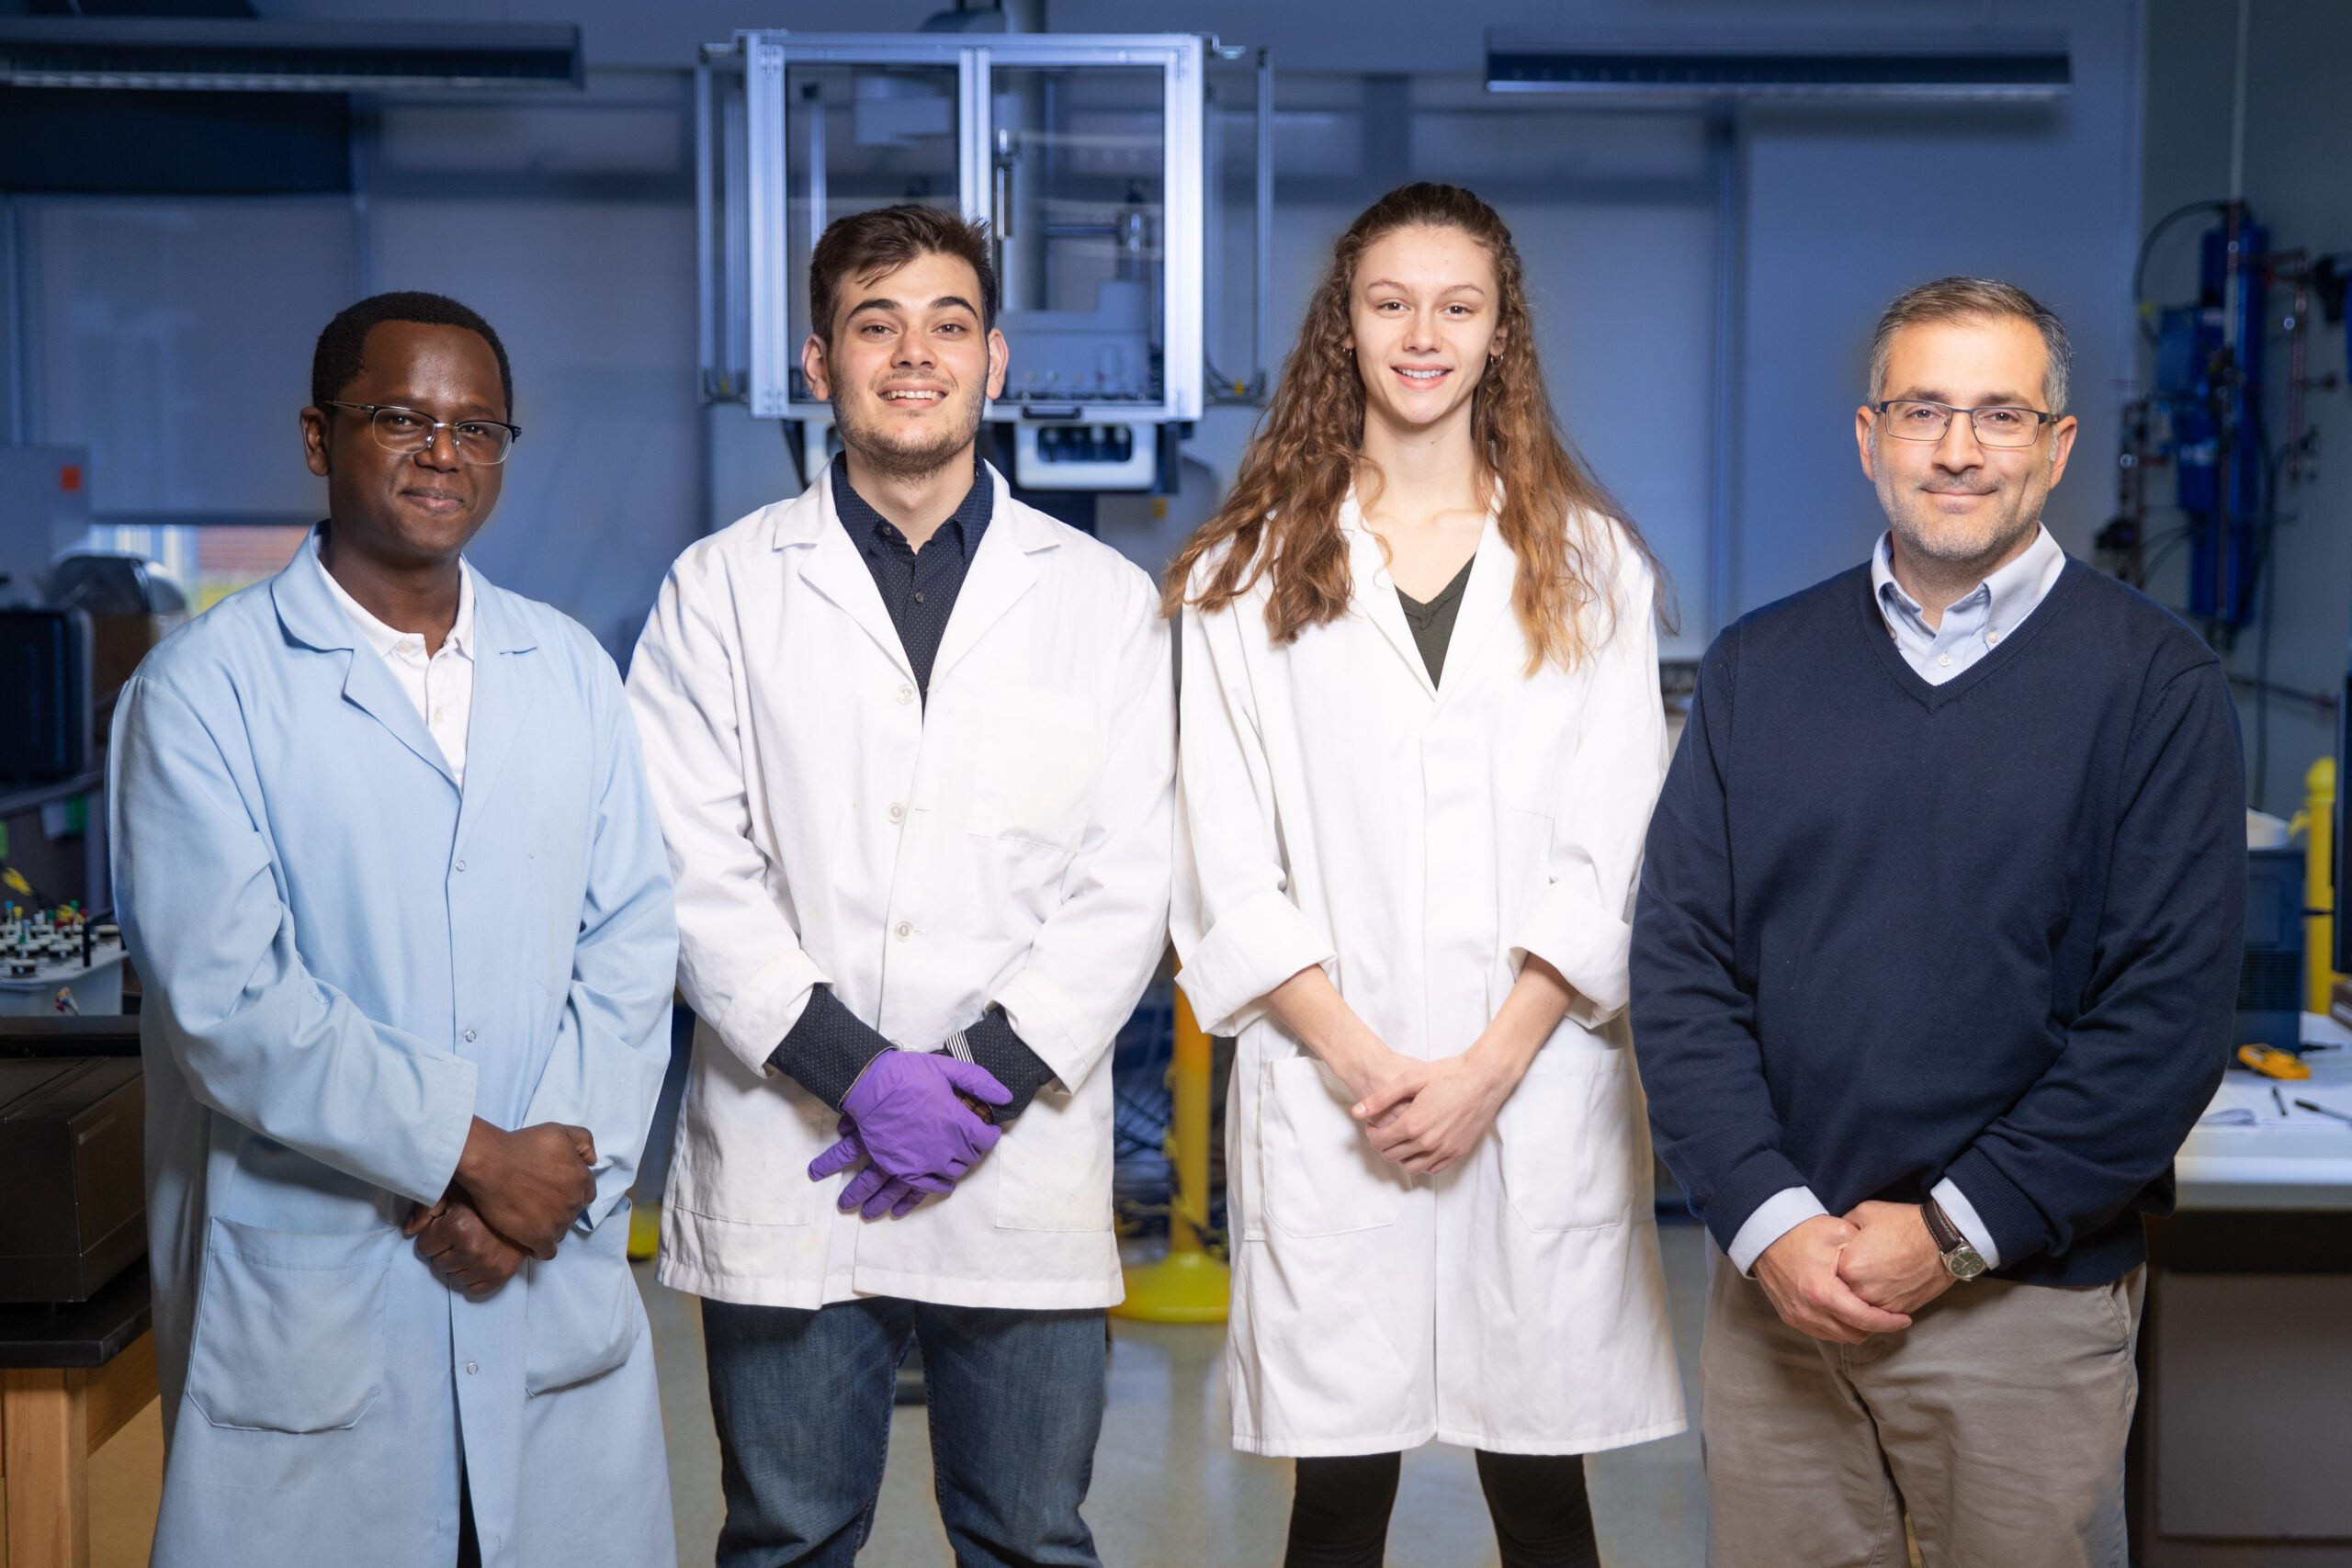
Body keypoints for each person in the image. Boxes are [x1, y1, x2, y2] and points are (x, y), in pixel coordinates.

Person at [1631, 276, 2245, 1567]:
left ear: (2058, 446)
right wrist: (1769, 1223)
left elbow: (2163, 1027)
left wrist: (1950, 1234)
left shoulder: (2156, 687)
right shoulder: (1758, 669)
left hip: (2022, 1314)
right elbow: (1682, 972)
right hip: (1779, 1304)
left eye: (2000, 415)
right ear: (1868, 440)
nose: (1959, 450)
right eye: (1924, 412)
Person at [626, 204, 1173, 1568]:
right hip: (795, 1143)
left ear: (995, 361)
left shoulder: (1102, 602)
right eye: (876, 325)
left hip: (1017, 1146)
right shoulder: (720, 591)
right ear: (821, 365)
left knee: (1034, 1540)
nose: (912, 354)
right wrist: (862, 1075)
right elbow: (689, 866)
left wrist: (970, 1083)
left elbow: (1133, 878)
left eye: (946, 325)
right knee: (788, 1538)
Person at [110, 291, 680, 1567]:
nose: (445, 454)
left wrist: (544, 1186)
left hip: (541, 1276)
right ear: (319, 439)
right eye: (402, 418)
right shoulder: (202, 695)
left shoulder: (567, 670)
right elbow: (232, 1008)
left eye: (479, 427)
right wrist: (474, 1154)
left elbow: (634, 945)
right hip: (326, 1299)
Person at [1167, 181, 1685, 1568]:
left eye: (1458, 305)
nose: (1423, 334)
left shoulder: (1588, 567)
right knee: (1335, 1503)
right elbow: (1225, 860)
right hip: (1344, 1094)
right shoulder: (1244, 573)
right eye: (1390, 302)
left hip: (1528, 1088)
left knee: (1543, 1490)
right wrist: (1369, 1068)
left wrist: (1484, 1072)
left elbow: (1615, 847)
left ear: (1501, 332)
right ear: (1345, 326)